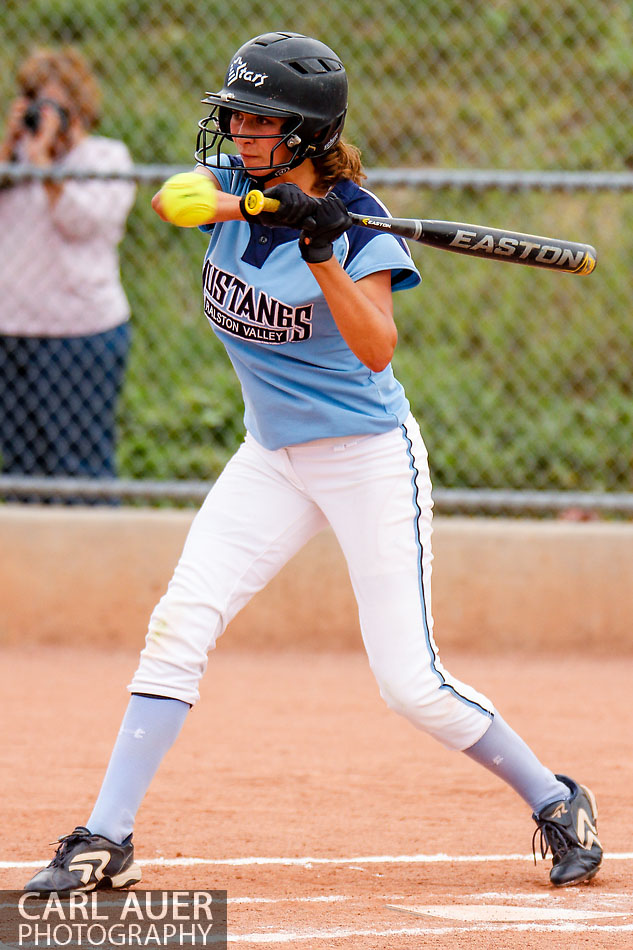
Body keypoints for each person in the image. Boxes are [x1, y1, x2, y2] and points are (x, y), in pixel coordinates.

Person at [24, 31, 602, 894]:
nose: (237, 133)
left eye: (258, 121)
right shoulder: (231, 184)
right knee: (180, 621)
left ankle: (556, 798)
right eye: (237, 116)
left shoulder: (360, 229)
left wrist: (321, 246)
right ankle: (106, 837)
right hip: (271, 456)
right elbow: (171, 204)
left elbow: (376, 348)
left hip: (366, 458)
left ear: (304, 134)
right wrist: (262, 208)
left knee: (409, 685)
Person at [0, 46, 136, 497]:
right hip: (11, 331)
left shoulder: (105, 158)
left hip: (79, 336)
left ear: (78, 108)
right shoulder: (12, 157)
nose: (46, 114)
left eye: (56, 103)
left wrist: (44, 169)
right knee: (21, 471)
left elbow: (84, 223)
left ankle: (98, 564)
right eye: (37, 101)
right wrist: (10, 145)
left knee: (79, 468)